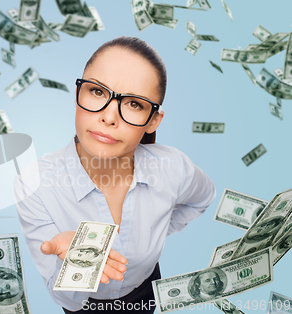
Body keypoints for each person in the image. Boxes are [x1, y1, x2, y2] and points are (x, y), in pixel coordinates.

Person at [14, 36, 216, 313]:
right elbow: (64, 299)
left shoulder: (174, 168)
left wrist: (156, 231)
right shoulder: (34, 183)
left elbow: (202, 199)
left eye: (134, 104)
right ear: (78, 95)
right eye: (97, 92)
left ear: (152, 121)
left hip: (146, 292)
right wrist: (75, 265)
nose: (109, 117)